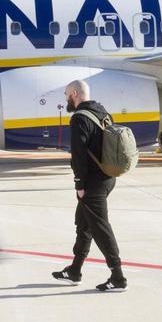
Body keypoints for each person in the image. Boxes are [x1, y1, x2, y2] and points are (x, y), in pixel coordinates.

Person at [50, 79, 127, 292]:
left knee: (100, 228)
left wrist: (79, 184)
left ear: (74, 93)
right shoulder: (103, 113)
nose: (66, 99)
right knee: (84, 224)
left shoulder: (79, 118)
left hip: (92, 183)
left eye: (66, 94)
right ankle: (74, 270)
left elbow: (79, 155)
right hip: (107, 177)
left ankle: (118, 276)